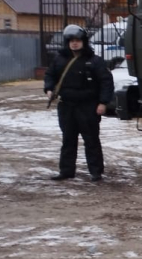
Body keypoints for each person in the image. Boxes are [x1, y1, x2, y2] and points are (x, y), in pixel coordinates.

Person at [43, 24, 114, 182]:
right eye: (71, 40)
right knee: (68, 139)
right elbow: (50, 75)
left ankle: (96, 172)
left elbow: (106, 82)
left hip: (88, 105)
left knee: (91, 140)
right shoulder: (59, 59)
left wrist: (103, 103)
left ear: (84, 42)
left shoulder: (94, 61)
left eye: (78, 40)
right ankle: (66, 171)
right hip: (66, 105)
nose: (75, 43)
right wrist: (48, 88)